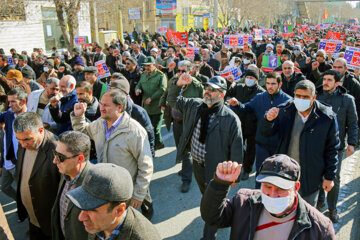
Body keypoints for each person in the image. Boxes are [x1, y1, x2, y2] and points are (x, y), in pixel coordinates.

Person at [200, 155, 336, 240]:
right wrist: (220, 183)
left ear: (296, 187)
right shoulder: (244, 202)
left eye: (281, 188)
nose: (272, 194)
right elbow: (212, 217)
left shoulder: (320, 229)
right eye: (268, 187)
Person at [176, 75, 243, 240]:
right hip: (198, 166)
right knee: (207, 196)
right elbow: (175, 101)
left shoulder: (230, 118)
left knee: (213, 202)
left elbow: (237, 149)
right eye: (207, 88)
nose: (207, 91)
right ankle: (217, 216)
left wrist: (236, 175)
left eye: (212, 89)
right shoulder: (195, 106)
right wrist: (178, 86)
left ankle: (208, 236)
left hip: (218, 170)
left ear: (221, 94)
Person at [71, 89, 154, 219]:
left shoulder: (134, 131)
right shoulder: (100, 123)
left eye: (106, 105)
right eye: (101, 104)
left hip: (125, 191)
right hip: (105, 187)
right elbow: (83, 133)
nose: (101, 108)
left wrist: (138, 195)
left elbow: (146, 166)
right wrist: (78, 116)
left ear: (119, 107)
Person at [260, 80, 340, 206]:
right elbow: (266, 133)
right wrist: (268, 120)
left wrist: (329, 177)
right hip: (284, 172)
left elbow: (332, 149)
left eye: (306, 97)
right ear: (294, 95)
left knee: (305, 213)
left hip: (310, 176)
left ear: (314, 97)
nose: (301, 99)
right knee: (283, 209)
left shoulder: (326, 118)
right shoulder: (285, 111)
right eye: (298, 96)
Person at [66, 163, 161, 240]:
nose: (81, 217)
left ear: (119, 210)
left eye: (91, 209)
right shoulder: (103, 223)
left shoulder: (144, 237)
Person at [228, 72, 291, 188]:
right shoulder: (260, 98)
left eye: (273, 84)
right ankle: (258, 196)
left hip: (279, 145)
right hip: (262, 143)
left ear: (280, 84)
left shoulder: (287, 101)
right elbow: (246, 108)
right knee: (261, 172)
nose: (270, 86)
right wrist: (237, 104)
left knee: (277, 175)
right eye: (267, 83)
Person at [316, 70, 358, 222]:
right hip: (317, 143)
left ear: (337, 83)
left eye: (329, 80)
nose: (325, 82)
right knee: (317, 174)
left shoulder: (347, 100)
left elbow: (353, 123)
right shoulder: (317, 95)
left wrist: (352, 143)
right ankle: (319, 200)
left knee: (333, 176)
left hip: (336, 146)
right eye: (324, 79)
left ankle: (332, 207)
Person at [14, 112, 60, 239]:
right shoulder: (23, 142)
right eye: (19, 140)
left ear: (41, 130)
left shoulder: (57, 149)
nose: (23, 144)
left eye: (27, 139)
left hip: (50, 225)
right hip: (32, 219)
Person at [162, 60, 204, 193]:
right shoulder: (174, 80)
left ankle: (187, 179)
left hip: (189, 124)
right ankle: (187, 168)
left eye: (183, 71)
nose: (179, 73)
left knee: (187, 151)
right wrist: (163, 104)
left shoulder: (197, 86)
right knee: (179, 147)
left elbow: (203, 104)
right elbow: (167, 94)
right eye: (178, 71)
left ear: (190, 71)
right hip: (176, 121)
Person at [51, 131, 92, 240]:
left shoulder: (94, 185)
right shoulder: (65, 173)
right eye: (54, 153)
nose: (54, 161)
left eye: (60, 157)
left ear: (80, 159)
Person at [226, 69, 265, 180]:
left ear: (257, 80)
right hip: (238, 123)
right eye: (247, 77)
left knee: (251, 149)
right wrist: (229, 82)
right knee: (236, 145)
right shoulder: (239, 87)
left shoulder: (261, 92)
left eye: (252, 78)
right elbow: (228, 92)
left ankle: (247, 170)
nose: (249, 80)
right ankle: (236, 167)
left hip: (253, 125)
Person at [109, 79, 155, 157]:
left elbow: (149, 134)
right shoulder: (109, 109)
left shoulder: (139, 112)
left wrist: (149, 155)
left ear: (124, 93)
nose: (112, 94)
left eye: (115, 91)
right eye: (111, 90)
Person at [0, 88, 28, 201]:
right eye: (9, 102)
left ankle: (25, 211)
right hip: (8, 162)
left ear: (23, 101)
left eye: (13, 102)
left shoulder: (30, 118)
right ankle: (20, 203)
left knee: (24, 191)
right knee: (5, 187)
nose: (10, 105)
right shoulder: (8, 115)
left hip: (20, 163)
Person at [135, 56, 167, 150]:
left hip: (157, 106)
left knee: (156, 129)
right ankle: (157, 144)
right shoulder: (144, 75)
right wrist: (137, 89)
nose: (147, 68)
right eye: (145, 66)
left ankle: (156, 146)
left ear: (154, 65)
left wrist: (152, 98)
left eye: (148, 66)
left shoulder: (161, 75)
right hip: (147, 107)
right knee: (148, 128)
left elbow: (162, 89)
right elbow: (139, 84)